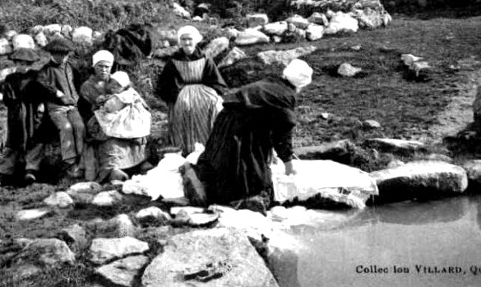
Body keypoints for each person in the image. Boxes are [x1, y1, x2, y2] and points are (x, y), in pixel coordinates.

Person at [187, 58, 314, 214]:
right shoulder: (286, 95)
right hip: (241, 130)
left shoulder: (271, 82)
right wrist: (288, 165)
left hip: (226, 121)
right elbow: (283, 134)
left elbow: (267, 120)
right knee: (250, 177)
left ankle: (203, 181)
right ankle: (234, 198)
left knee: (221, 159)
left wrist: (271, 152)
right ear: (300, 85)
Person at [79, 51, 152, 183]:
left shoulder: (118, 80)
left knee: (134, 130)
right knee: (110, 138)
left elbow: (131, 93)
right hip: (99, 119)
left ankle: (140, 162)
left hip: (123, 117)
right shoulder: (87, 86)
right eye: (100, 66)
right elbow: (97, 107)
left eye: (107, 66)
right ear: (94, 66)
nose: (104, 69)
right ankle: (113, 169)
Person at [157, 25, 227, 155]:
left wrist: (213, 93)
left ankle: (210, 144)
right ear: (180, 42)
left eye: (189, 39)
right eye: (183, 39)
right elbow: (165, 83)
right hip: (182, 91)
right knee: (184, 105)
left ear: (195, 40)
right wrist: (175, 96)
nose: (187, 42)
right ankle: (186, 146)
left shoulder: (205, 58)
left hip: (204, 91)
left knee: (214, 104)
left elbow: (215, 80)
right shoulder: (174, 60)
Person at [32, 36, 86, 182]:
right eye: (59, 54)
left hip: (72, 106)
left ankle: (81, 157)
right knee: (66, 127)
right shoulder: (46, 70)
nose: (62, 57)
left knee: (79, 126)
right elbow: (41, 83)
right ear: (52, 54)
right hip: (56, 108)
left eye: (65, 54)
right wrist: (58, 94)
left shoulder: (70, 67)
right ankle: (69, 160)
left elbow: (78, 82)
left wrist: (76, 98)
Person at [0, 47, 47, 187]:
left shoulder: (36, 76)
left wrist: (40, 106)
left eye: (26, 64)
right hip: (16, 114)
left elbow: (44, 92)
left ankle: (31, 170)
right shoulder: (10, 79)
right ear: (15, 63)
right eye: (20, 63)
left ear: (31, 64)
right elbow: (7, 99)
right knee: (11, 142)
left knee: (35, 139)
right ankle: (3, 173)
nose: (23, 66)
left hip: (32, 112)